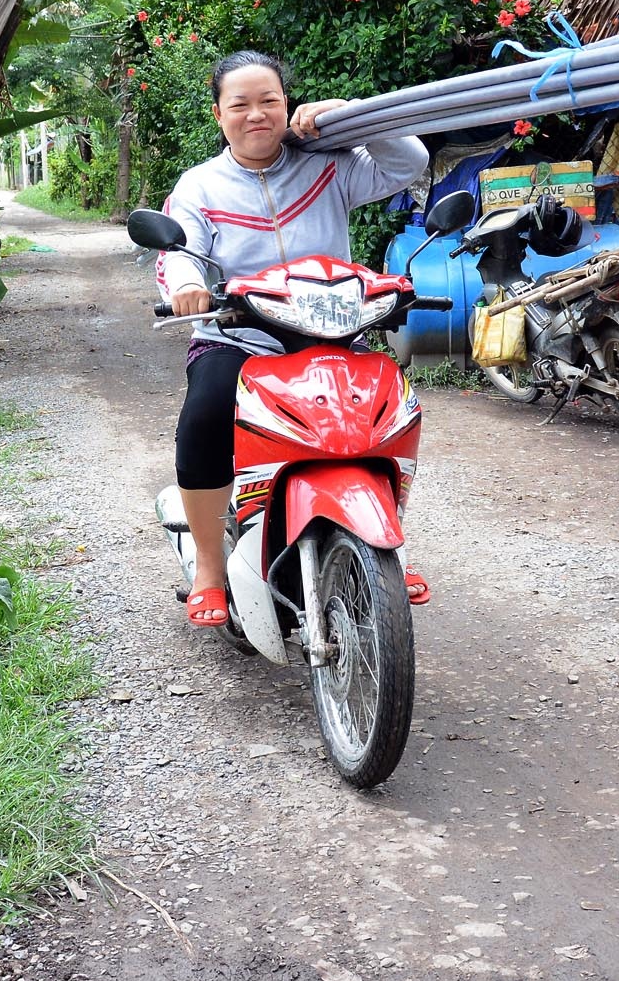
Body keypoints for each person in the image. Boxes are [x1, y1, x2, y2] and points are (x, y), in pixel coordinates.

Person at [160, 49, 430, 627]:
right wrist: (187, 284)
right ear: (218, 115)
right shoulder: (200, 184)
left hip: (331, 330)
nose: (256, 114)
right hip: (240, 334)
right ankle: (210, 568)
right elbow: (178, 249)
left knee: (384, 411)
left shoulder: (329, 162)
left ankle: (385, 540)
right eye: (241, 105)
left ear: (288, 106)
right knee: (206, 414)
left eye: (269, 101)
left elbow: (408, 163)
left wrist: (353, 116)